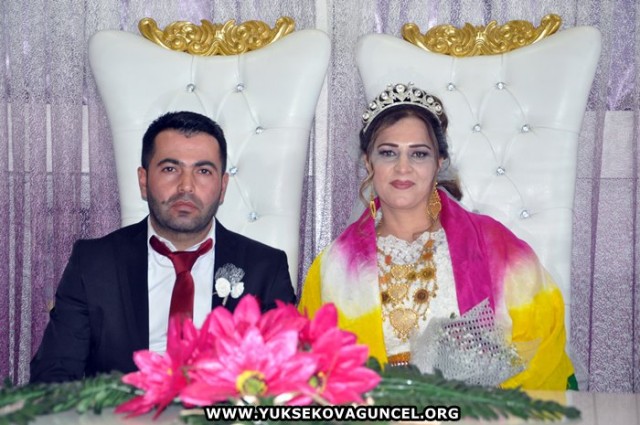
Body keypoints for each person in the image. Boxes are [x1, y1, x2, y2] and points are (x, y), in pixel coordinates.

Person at [299, 83, 576, 390]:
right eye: (388, 153)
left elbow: (542, 337)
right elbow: (308, 366)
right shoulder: (333, 267)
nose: (402, 168)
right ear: (368, 162)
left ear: (438, 163)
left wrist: (478, 405)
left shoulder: (494, 246)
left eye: (419, 154)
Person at [30, 111, 296, 383]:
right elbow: (53, 375)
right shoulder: (94, 263)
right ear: (143, 181)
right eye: (170, 169)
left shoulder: (265, 268)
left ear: (223, 187)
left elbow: (285, 376)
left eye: (203, 171)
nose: (186, 186)